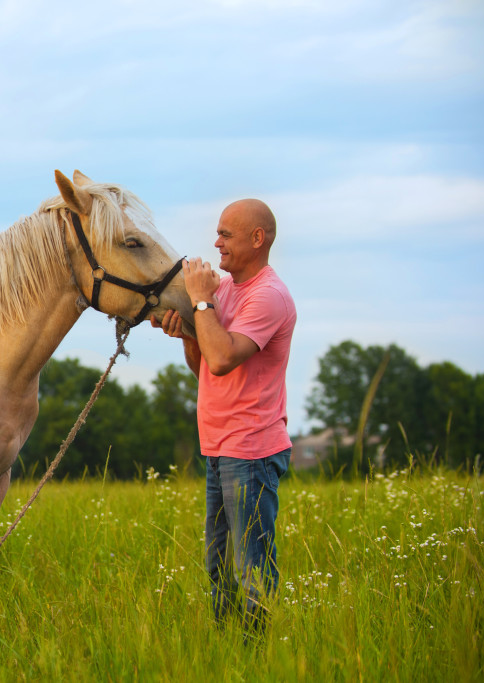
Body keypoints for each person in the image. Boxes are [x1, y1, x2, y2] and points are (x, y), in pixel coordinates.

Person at [152, 198, 296, 636]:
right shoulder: (227, 291)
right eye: (217, 233)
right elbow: (204, 367)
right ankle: (226, 645)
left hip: (251, 450)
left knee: (251, 565)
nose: (216, 243)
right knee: (218, 567)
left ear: (258, 238)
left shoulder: (268, 296)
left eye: (226, 235)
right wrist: (187, 334)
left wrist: (198, 300)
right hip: (217, 446)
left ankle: (255, 652)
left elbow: (222, 359)